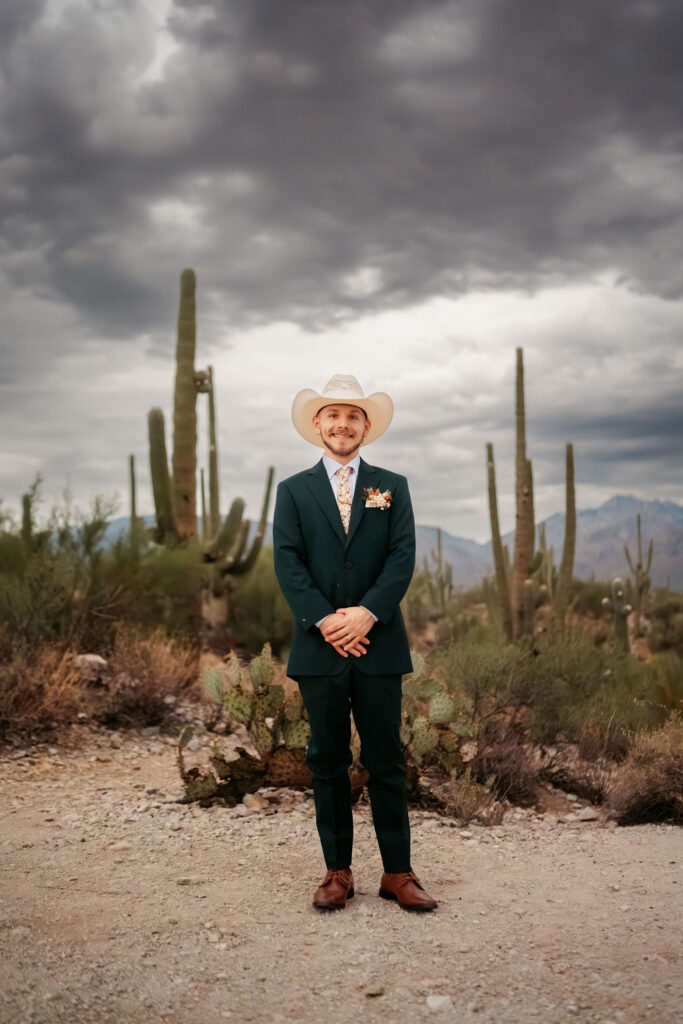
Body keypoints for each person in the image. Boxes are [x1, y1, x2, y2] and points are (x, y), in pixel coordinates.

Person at [272, 373, 437, 912]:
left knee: (386, 759)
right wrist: (325, 621)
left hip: (378, 643)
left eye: (353, 416)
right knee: (327, 761)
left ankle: (398, 873)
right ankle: (337, 872)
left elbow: (402, 556)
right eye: (333, 415)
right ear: (317, 424)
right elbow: (288, 561)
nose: (342, 424)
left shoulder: (393, 485)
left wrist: (366, 615)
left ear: (367, 426)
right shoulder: (293, 491)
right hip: (319, 647)